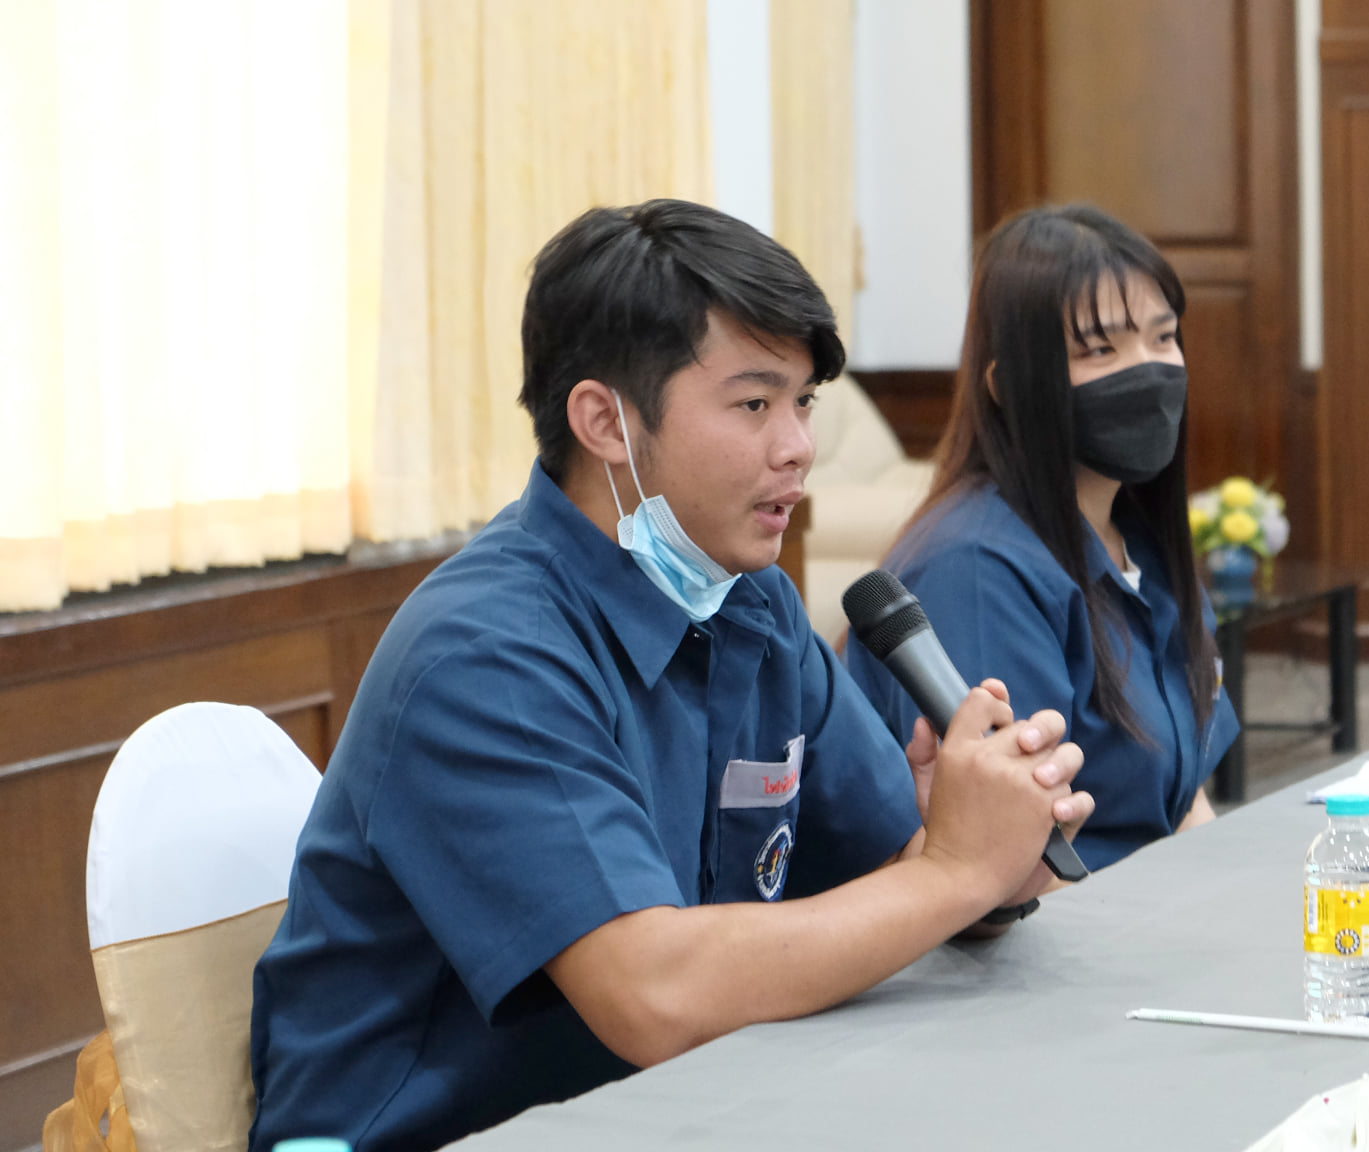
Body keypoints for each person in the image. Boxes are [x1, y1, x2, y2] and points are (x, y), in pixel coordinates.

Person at [247, 200, 1091, 1151]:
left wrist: (981, 853)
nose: (799, 446)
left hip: (681, 1109)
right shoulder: (487, 653)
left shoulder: (749, 604)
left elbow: (895, 876)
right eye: (753, 403)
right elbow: (653, 992)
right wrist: (952, 874)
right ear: (606, 421)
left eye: (804, 402)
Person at [844, 203, 1239, 873]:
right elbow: (1020, 858)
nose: (1147, 369)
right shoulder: (975, 570)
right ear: (1009, 386)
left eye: (1163, 337)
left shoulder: (1139, 538)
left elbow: (1181, 798)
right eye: (1100, 349)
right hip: (1043, 940)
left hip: (1152, 912)